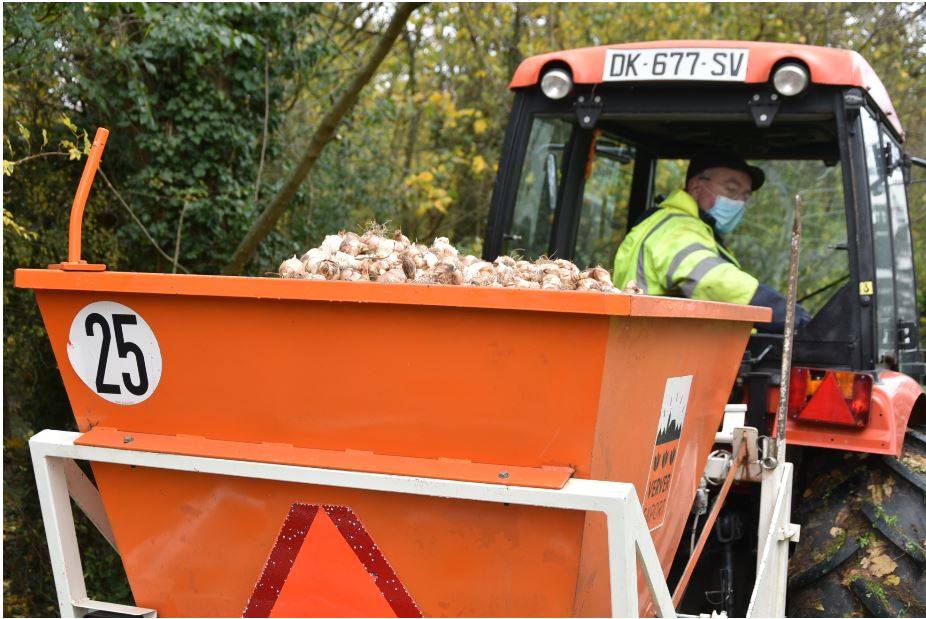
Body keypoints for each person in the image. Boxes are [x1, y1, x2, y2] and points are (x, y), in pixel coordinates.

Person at [611, 154, 809, 331]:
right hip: (650, 352)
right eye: (731, 190)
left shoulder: (694, 228)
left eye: (745, 196)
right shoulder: (675, 227)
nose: (739, 202)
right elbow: (711, 279)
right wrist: (787, 313)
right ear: (696, 188)